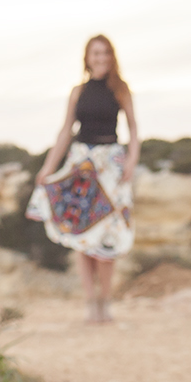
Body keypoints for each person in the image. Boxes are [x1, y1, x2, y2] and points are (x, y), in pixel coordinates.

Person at [29, 35, 141, 323]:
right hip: (81, 166)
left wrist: (131, 160)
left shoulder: (121, 89)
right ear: (87, 57)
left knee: (108, 237)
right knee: (81, 238)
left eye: (105, 53)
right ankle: (90, 301)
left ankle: (106, 301)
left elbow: (134, 129)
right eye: (95, 53)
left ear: (111, 56)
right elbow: (65, 131)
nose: (100, 58)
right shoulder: (77, 92)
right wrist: (48, 167)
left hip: (111, 166)